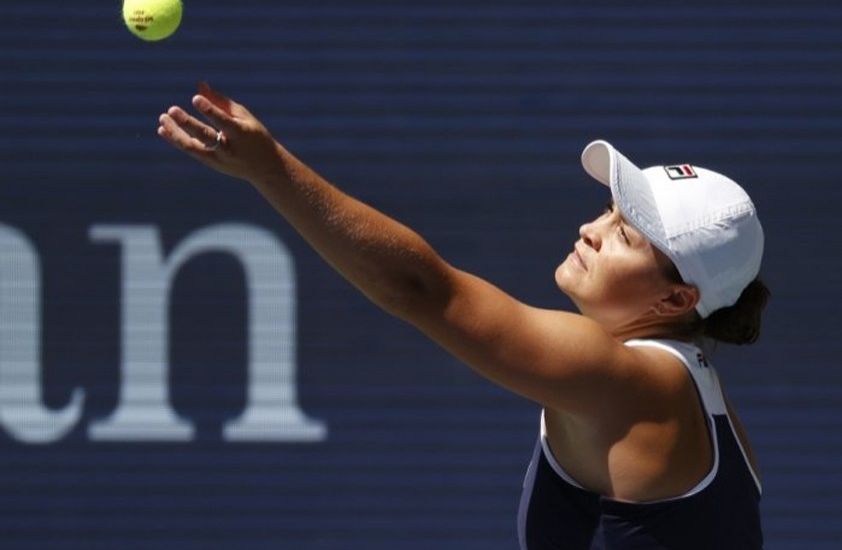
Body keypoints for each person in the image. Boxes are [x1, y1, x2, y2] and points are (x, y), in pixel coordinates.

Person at [158, 83, 769, 550]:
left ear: (674, 302)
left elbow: (419, 289)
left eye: (626, 236)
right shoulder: (695, 390)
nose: (591, 229)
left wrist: (270, 169)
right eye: (607, 212)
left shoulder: (633, 384)